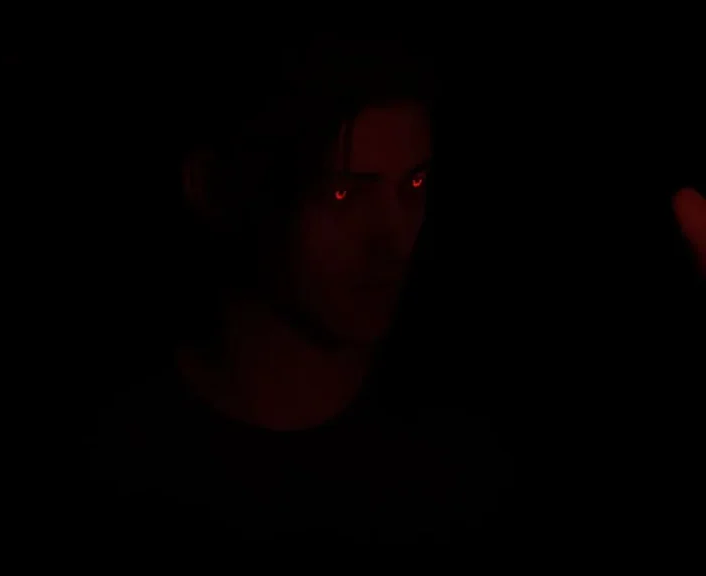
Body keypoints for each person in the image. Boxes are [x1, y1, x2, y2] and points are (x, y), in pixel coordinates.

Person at [89, 36, 706, 545]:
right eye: (341, 192)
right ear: (215, 189)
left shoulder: (471, 450)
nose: (393, 239)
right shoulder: (126, 459)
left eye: (413, 185)